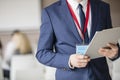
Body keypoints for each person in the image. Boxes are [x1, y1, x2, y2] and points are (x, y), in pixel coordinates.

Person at [36, 0, 120, 80]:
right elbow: (42, 53)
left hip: (101, 76)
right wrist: (69, 60)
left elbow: (110, 42)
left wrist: (115, 53)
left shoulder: (103, 7)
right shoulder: (50, 12)